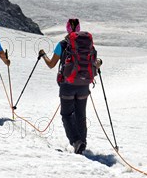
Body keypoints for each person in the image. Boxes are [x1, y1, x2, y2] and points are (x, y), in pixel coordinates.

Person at [39, 18, 101, 154]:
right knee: (81, 114)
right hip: (84, 85)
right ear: (79, 29)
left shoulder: (62, 44)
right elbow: (94, 62)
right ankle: (82, 142)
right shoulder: (88, 45)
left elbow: (51, 64)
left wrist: (43, 55)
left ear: (67, 28)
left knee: (66, 114)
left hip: (67, 85)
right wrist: (99, 63)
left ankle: (76, 141)